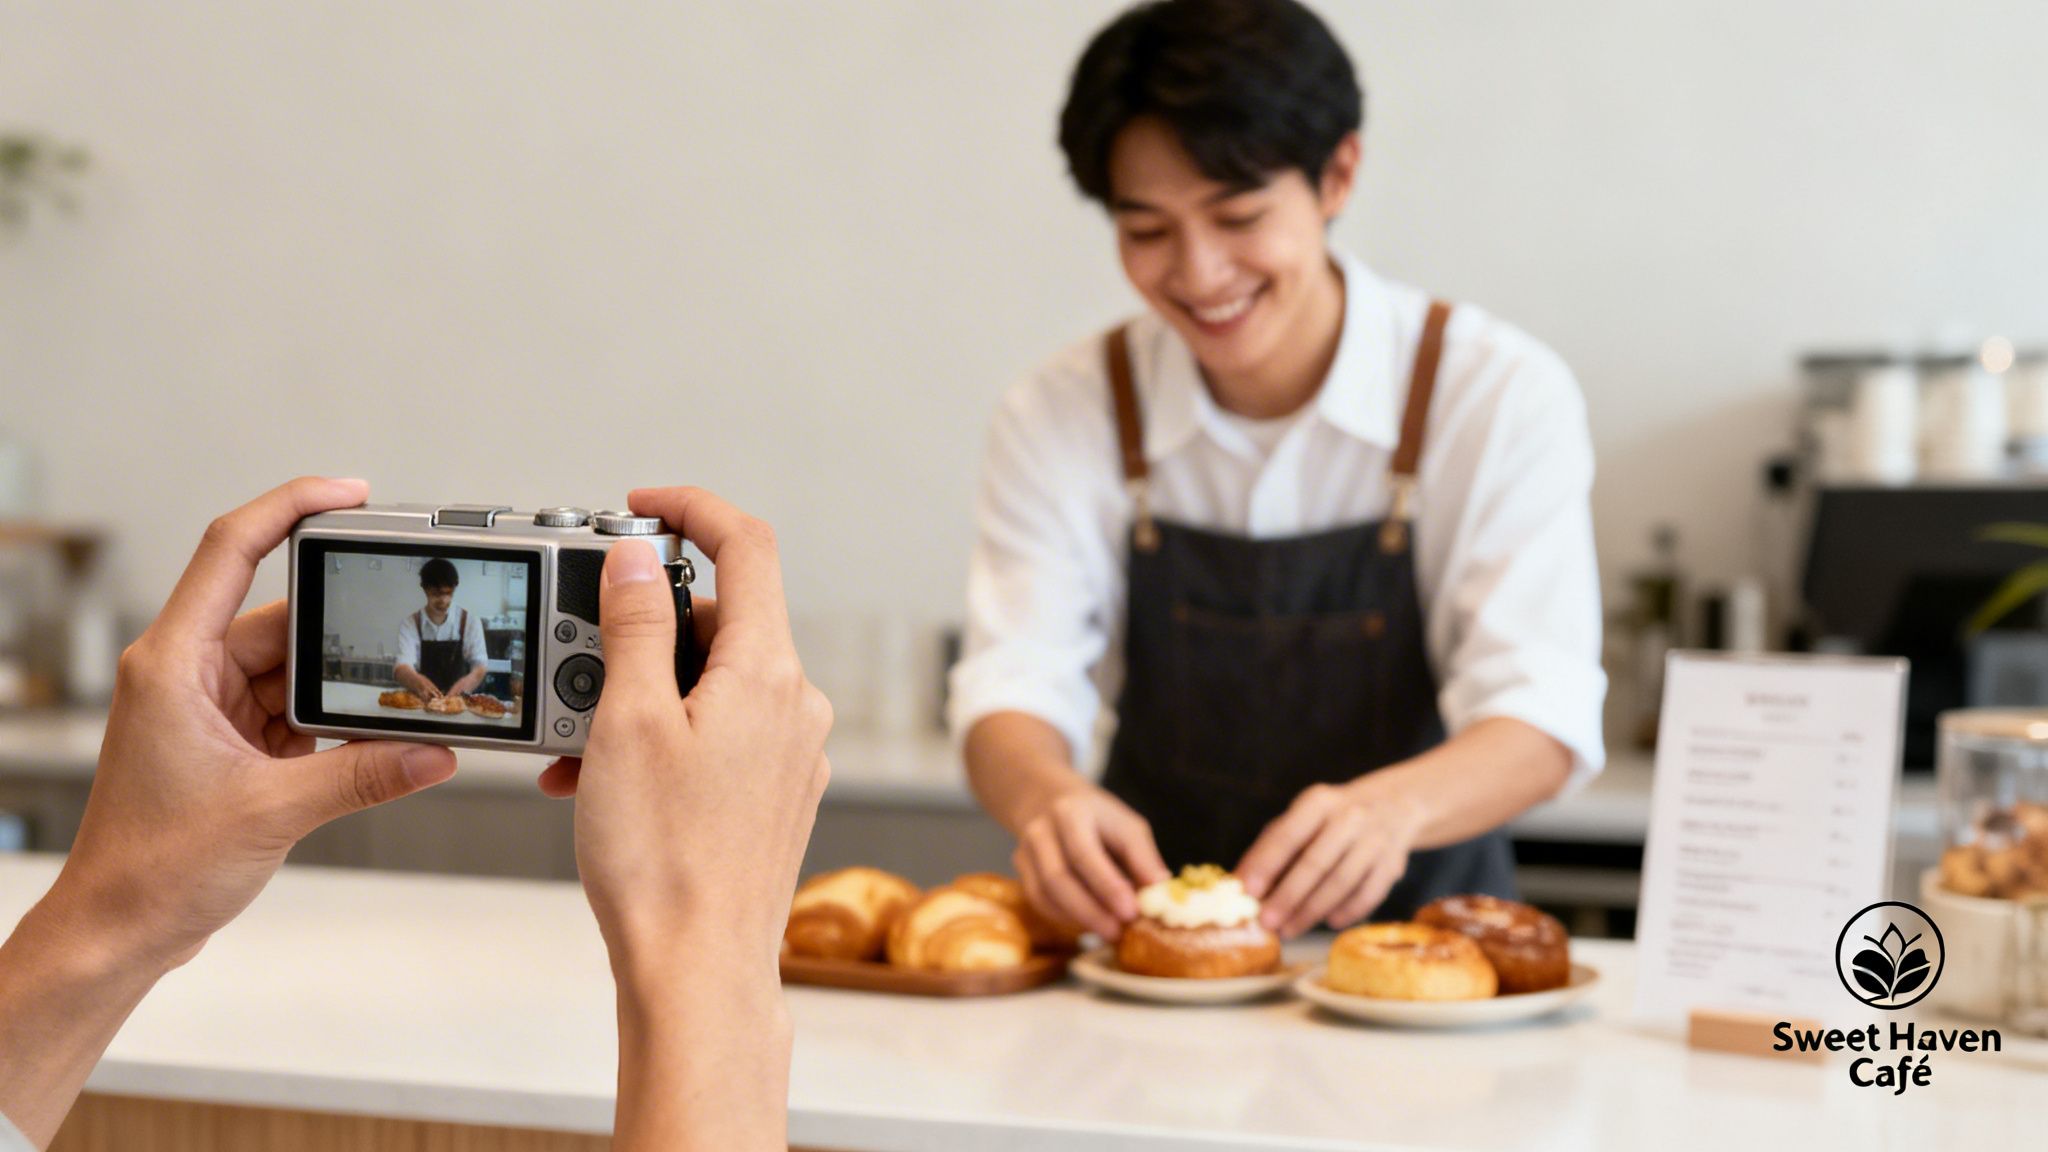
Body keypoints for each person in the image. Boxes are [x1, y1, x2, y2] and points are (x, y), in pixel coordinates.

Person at [950, 0, 1605, 944]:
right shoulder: (1065, 409)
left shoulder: (1493, 393)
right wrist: (1047, 798)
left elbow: (1541, 711)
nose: (1200, 272)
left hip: (1431, 952)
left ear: (1338, 174)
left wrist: (1396, 811)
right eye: (1147, 231)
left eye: (1239, 215)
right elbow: (1013, 680)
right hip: (1156, 958)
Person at [0, 477, 831, 1152]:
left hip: (468, 698)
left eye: (441, 586)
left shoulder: (470, 620)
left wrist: (112, 914)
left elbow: (477, 667)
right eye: (434, 587)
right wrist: (710, 953)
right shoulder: (413, 621)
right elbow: (404, 659)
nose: (438, 597)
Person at [392, 557, 489, 700]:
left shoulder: (469, 621)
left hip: (460, 702)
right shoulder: (411, 624)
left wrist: (464, 686)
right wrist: (418, 682)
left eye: (448, 593)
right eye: (436, 594)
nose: (443, 600)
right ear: (425, 589)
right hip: (423, 702)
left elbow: (480, 665)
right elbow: (401, 667)